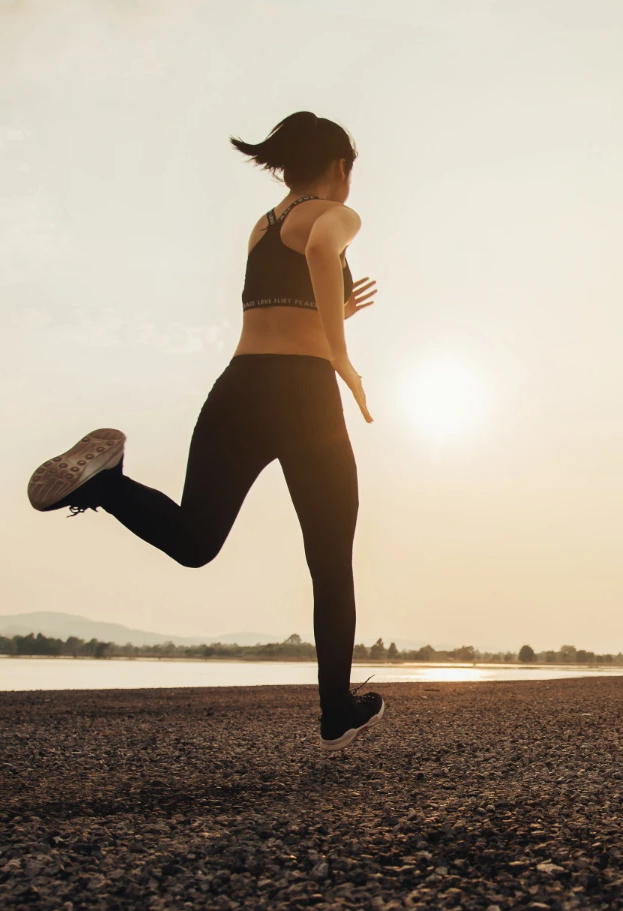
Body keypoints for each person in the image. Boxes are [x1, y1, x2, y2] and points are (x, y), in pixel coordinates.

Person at [25, 111, 383, 750]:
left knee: (195, 539)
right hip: (305, 398)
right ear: (339, 166)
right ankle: (334, 708)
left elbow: (282, 303)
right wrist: (341, 354)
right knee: (331, 562)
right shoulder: (334, 213)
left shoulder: (263, 227)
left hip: (240, 388)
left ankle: (105, 484)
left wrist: (333, 313)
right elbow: (326, 250)